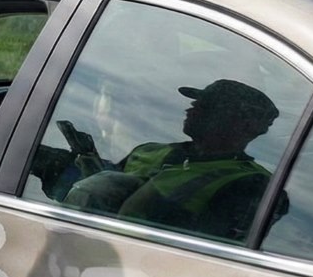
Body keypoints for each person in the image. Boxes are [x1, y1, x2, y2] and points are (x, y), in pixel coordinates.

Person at [64, 78, 285, 240]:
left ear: (244, 126)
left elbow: (202, 247)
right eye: (196, 102)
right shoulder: (148, 149)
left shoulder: (253, 185)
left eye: (207, 106)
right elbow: (101, 197)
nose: (191, 108)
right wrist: (85, 162)